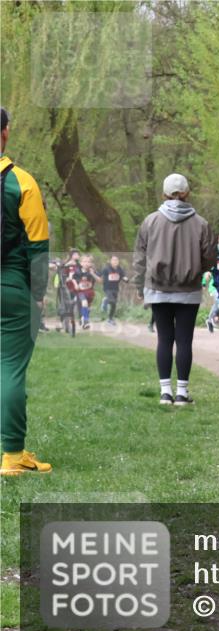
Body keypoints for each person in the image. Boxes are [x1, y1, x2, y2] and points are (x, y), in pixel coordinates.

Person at [0, 106, 52, 476]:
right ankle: (13, 455)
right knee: (10, 369)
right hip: (10, 286)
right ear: (5, 133)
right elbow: (38, 245)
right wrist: (39, 293)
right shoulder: (23, 182)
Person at [134, 173, 215, 406]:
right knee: (184, 341)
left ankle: (165, 392)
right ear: (187, 193)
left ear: (164, 193)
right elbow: (209, 256)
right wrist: (197, 269)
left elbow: (140, 257)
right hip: (188, 290)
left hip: (158, 288)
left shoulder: (150, 222)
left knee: (164, 339)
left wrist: (139, 283)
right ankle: (182, 393)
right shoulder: (201, 224)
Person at [100, 254, 128, 325]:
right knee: (111, 301)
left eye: (117, 260)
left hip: (115, 288)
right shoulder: (106, 269)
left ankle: (110, 319)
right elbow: (101, 276)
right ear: (110, 261)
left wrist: (125, 279)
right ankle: (105, 301)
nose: (115, 261)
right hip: (107, 288)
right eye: (114, 260)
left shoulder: (119, 268)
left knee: (114, 304)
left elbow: (123, 275)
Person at [73, 255, 98, 330]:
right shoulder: (78, 271)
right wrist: (76, 285)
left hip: (90, 293)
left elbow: (99, 279)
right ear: (81, 263)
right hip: (81, 292)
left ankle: (83, 321)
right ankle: (86, 321)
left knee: (87, 308)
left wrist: (93, 274)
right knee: (84, 303)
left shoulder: (93, 271)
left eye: (88, 262)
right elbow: (73, 279)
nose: (86, 263)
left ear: (91, 263)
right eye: (84, 261)